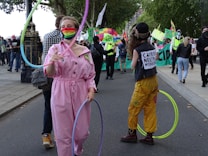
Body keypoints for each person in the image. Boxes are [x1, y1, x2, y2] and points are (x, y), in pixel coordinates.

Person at [43, 16, 96, 156]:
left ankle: (77, 151)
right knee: (63, 134)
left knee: (81, 133)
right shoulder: (55, 49)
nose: (66, 28)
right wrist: (52, 62)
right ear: (60, 30)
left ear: (76, 30)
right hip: (60, 91)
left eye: (69, 26)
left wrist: (91, 89)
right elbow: (49, 73)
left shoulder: (85, 51)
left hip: (81, 91)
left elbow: (90, 74)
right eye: (63, 26)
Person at [121, 22, 158, 145]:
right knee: (150, 109)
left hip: (143, 82)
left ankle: (132, 134)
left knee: (133, 108)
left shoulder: (137, 50)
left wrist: (133, 59)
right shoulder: (152, 47)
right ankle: (149, 136)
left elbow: (132, 66)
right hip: (153, 80)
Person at [41, 15, 64, 149]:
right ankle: (61, 135)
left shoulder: (47, 36)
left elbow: (44, 56)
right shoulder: (65, 38)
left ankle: (46, 135)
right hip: (60, 77)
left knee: (48, 107)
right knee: (62, 108)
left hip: (47, 75)